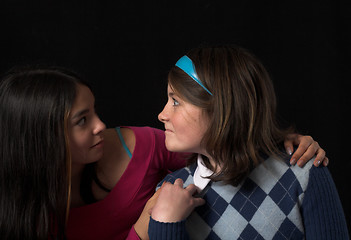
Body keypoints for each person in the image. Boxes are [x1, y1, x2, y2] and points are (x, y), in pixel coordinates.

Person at [0, 66, 328, 240]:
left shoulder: (142, 146)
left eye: (95, 111)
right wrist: (149, 222)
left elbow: (219, 147)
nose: (101, 125)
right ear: (41, 140)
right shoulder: (16, 209)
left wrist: (278, 142)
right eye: (82, 121)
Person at [148, 45, 349, 239]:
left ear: (221, 108)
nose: (162, 115)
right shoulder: (170, 194)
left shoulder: (303, 172)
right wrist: (165, 225)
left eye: (175, 101)